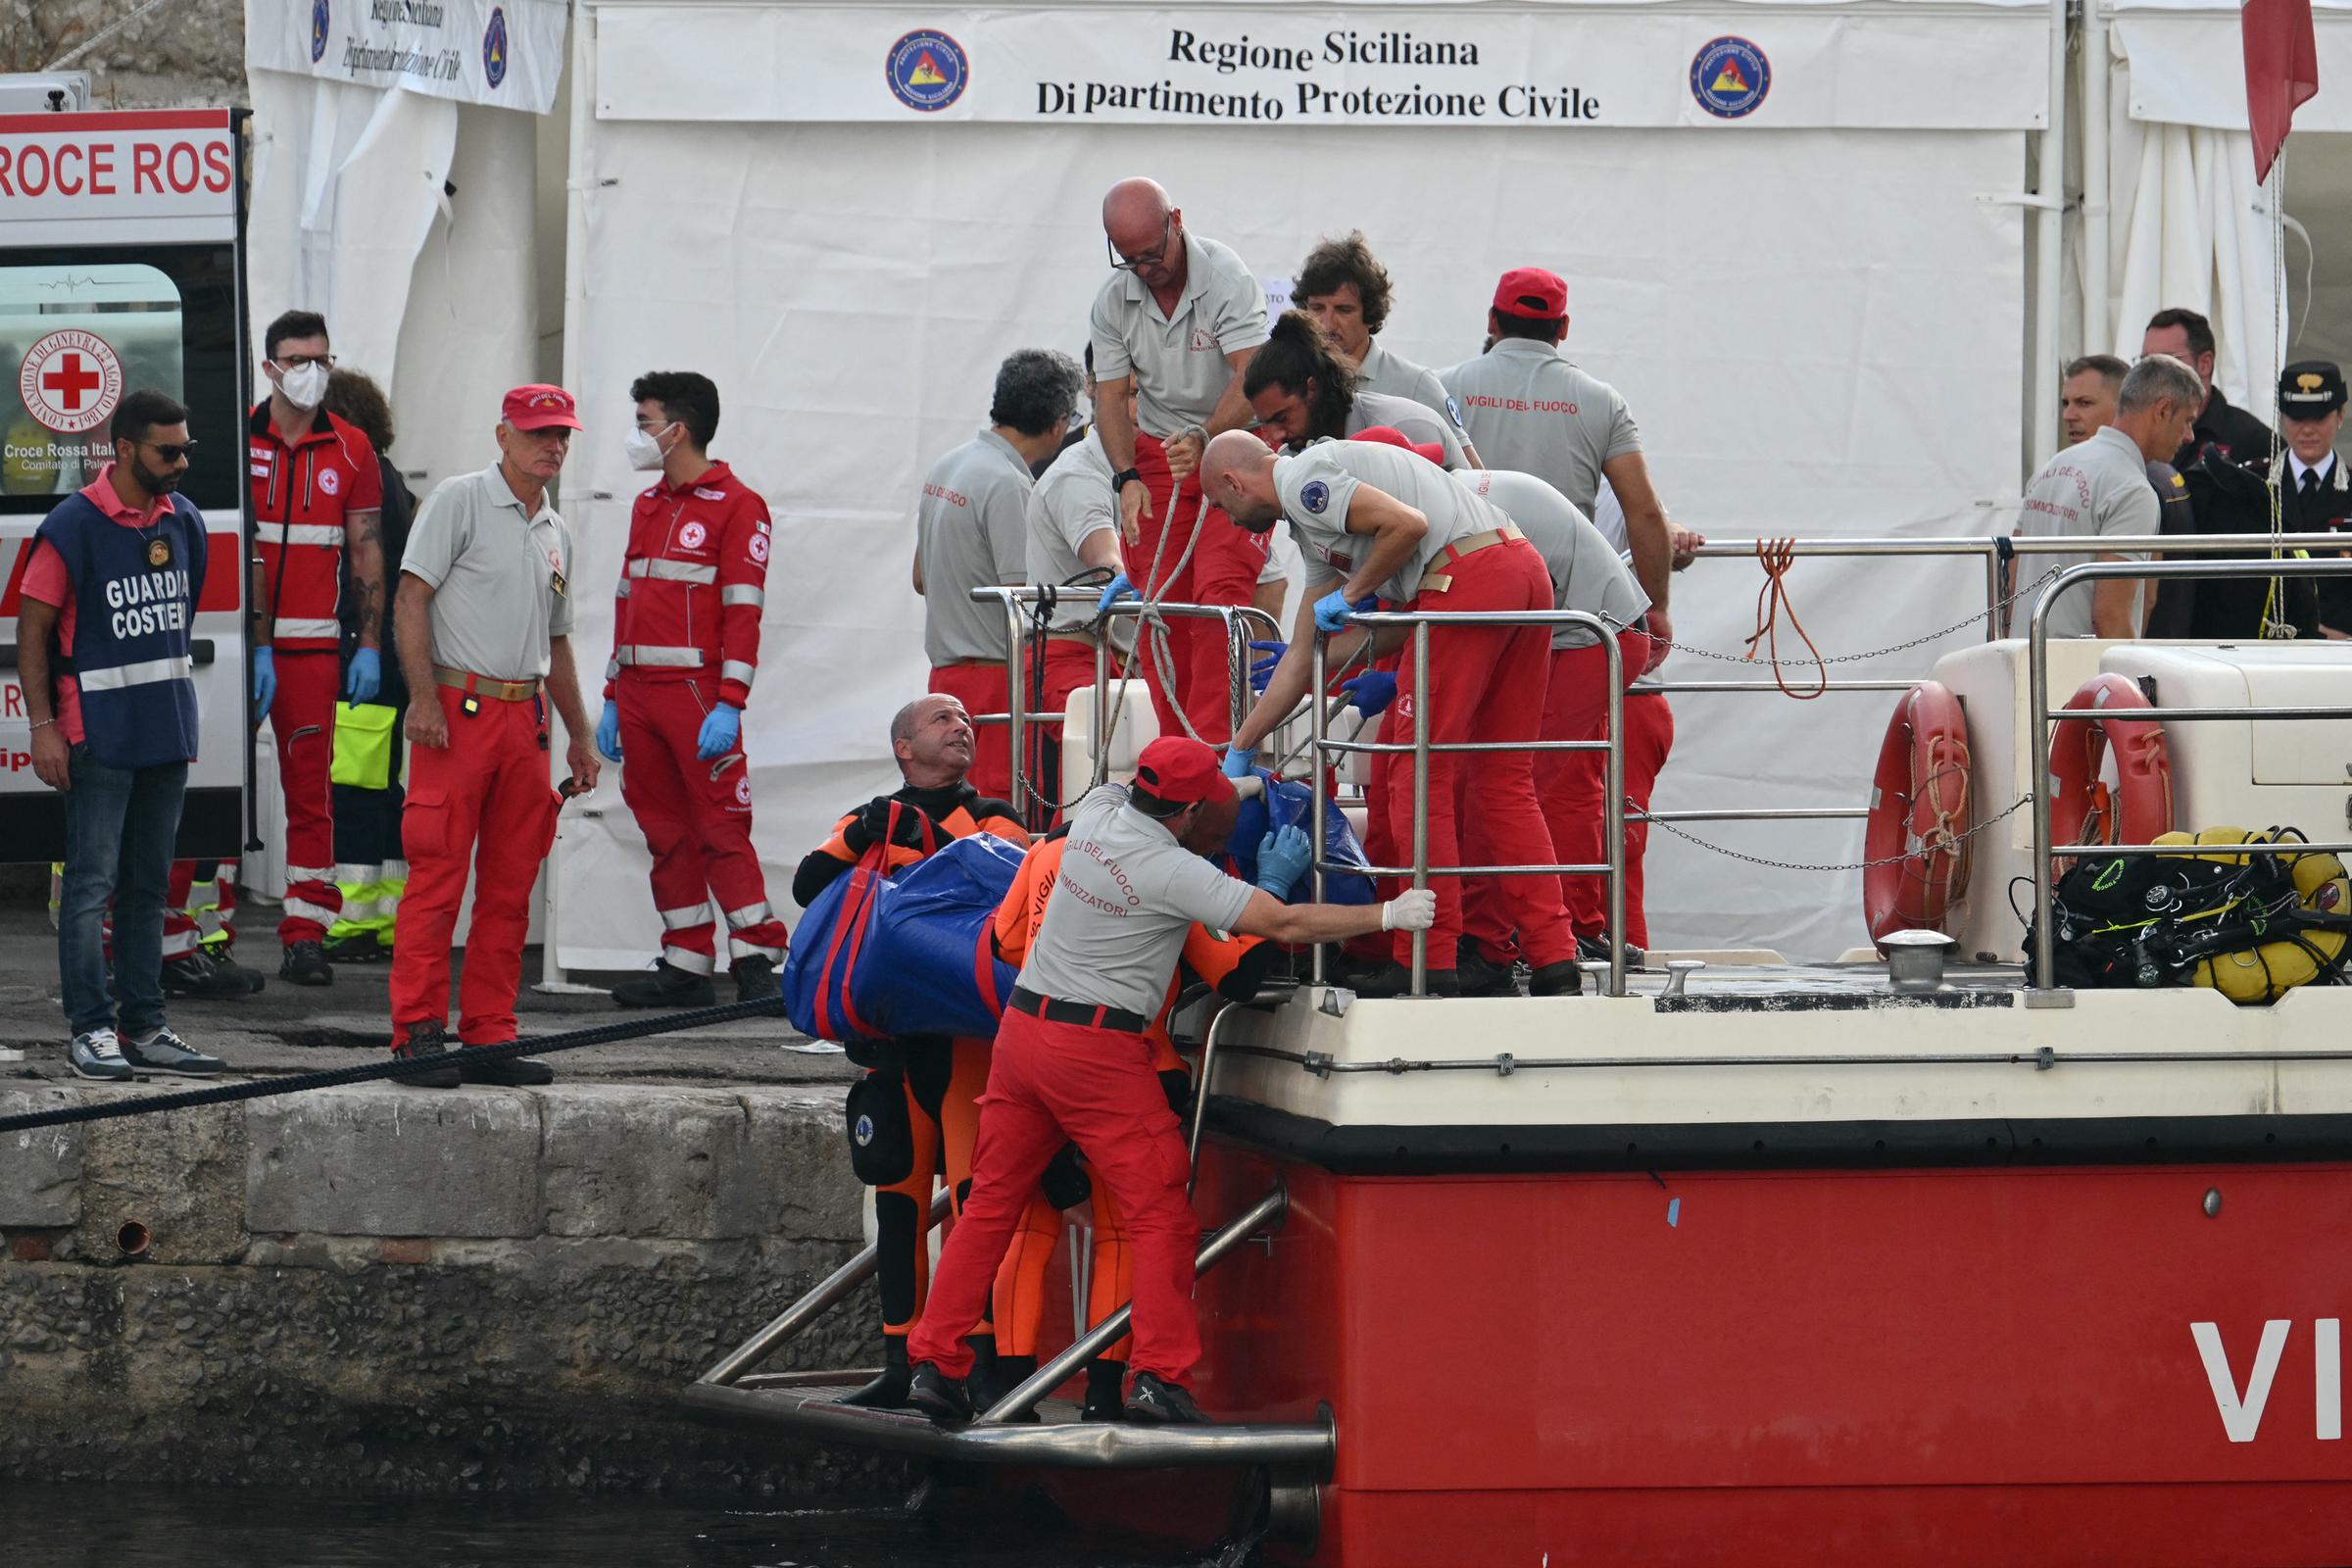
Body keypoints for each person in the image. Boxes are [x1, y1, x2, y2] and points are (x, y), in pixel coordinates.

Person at [902, 736, 1437, 1426]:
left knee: (991, 1205)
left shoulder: (1097, 810)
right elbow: (1280, 922)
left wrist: (1241, 779)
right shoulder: (1170, 871)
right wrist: (1387, 914)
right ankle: (1159, 1377)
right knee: (1158, 1214)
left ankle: (935, 1365)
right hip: (1096, 1049)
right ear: (1186, 810)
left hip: (1022, 1031)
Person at [1206, 431, 1583, 998]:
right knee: (1504, 778)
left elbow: (1407, 525)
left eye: (1219, 505)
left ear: (1234, 482)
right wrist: (1242, 742)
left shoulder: (1306, 479)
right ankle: (1555, 959)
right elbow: (1309, 658)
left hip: (1462, 579)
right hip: (1518, 569)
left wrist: (1353, 592)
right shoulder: (1316, 532)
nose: (1228, 521)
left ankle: (1427, 959)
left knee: (1414, 773)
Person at [981, 810, 1287, 1420]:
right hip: (1129, 1065)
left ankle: (1001, 1389)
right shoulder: (1168, 870)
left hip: (1029, 1053)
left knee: (1021, 1224)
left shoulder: (1048, 853)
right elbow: (1238, 971)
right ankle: (1111, 1393)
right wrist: (1272, 892)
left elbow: (1002, 943)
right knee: (1130, 1233)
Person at [1351, 426, 1673, 967]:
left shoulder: (1451, 520)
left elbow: (1476, 599)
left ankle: (1490, 947)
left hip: (1587, 640)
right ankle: (1524, 946)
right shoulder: (1458, 499)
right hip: (1574, 632)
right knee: (1489, 787)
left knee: (1493, 790)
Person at [792, 694, 1028, 1408]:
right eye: (943, 720)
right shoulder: (870, 818)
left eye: (967, 721)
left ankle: (971, 1363)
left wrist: (934, 830)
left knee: (969, 1203)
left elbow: (1015, 883)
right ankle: (899, 1363)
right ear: (904, 747)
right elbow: (808, 886)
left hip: (961, 1046)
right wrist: (864, 832)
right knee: (896, 1203)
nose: (963, 727)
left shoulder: (992, 818)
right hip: (889, 1046)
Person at [385, 385, 599, 1089]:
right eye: (540, 432)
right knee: (439, 878)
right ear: (501, 435)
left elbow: (556, 642)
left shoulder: (555, 530)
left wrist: (579, 736)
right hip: (457, 708)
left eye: (562, 434)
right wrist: (422, 699)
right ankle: (417, 1033)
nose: (554, 445)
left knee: (510, 888)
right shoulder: (459, 499)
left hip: (523, 719)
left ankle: (489, 1033)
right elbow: (410, 597)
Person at [16, 390, 228, 1081]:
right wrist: (44, 727)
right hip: (98, 736)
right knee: (89, 888)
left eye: (187, 449)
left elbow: (179, 620)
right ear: (126, 449)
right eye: (169, 452)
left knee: (146, 890)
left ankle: (145, 1027)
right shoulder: (72, 523)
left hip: (165, 731)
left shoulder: (186, 521)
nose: (181, 463)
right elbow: (33, 632)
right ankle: (91, 1032)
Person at [594, 370, 791, 1007]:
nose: (638, 435)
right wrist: (611, 696)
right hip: (642, 696)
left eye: (646, 422)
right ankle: (686, 962)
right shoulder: (648, 504)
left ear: (679, 429)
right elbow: (627, 601)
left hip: (699, 696)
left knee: (721, 828)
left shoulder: (738, 506)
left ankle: (758, 959)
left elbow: (743, 613)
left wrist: (731, 704)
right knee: (663, 831)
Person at [1090, 177, 1270, 745]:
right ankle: (1175, 755)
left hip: (1233, 447)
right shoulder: (1112, 299)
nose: (1144, 270)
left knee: (1220, 600)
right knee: (1160, 610)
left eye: (1152, 254)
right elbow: (1111, 397)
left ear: (1177, 222)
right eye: (1130, 259)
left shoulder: (1226, 276)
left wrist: (1206, 437)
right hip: (1161, 458)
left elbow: (1253, 376)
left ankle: (1217, 754)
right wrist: (1126, 478)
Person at [249, 310, 387, 988]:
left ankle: (306, 932)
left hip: (313, 652)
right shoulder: (231, 437)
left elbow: (366, 549)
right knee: (211, 787)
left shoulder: (353, 448)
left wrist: (369, 643)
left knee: (311, 796)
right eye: (298, 360)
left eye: (322, 361)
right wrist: (250, 643)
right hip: (240, 651)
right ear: (269, 365)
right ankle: (188, 933)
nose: (312, 373)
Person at [1441, 268, 1677, 662]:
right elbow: (1645, 512)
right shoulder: (1601, 401)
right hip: (1565, 617)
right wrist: (1656, 608)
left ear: (1492, 320)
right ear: (1563, 327)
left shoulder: (1444, 387)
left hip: (1463, 605)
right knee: (1550, 723)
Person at [915, 349, 1085, 803]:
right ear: (1058, 423)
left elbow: (920, 576)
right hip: (992, 683)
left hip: (945, 678)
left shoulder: (947, 465)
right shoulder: (1009, 484)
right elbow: (1023, 601)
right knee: (998, 817)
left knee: (953, 811)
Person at [318, 368, 416, 963]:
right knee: (382, 789)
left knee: (355, 788)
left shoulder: (364, 480)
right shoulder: (390, 478)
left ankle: (354, 919)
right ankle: (384, 917)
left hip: (365, 654)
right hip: (389, 659)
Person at [2012, 355, 2203, 639]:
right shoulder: (2133, 491)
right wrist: (2130, 681)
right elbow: (2110, 616)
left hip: (2023, 662)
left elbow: (2010, 578)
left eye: (2084, 403)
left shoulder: (2053, 466)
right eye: (2187, 421)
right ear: (2162, 410)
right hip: (2080, 676)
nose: (2189, 436)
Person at [1024, 347, 1132, 822]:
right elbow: (1108, 564)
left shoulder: (1138, 471)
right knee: (1085, 800)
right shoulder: (1080, 476)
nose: (1139, 406)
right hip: (1068, 655)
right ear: (1093, 390)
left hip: (1113, 656)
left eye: (1146, 392)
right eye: (1127, 394)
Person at [2176, 361, 2341, 639]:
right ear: (2281, 418)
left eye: (2319, 417)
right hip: (2263, 648)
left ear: (2340, 416)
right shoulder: (2246, 483)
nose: (2308, 429)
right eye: (2297, 417)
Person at [1294, 230, 1480, 461]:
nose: (1327, 324)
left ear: (1370, 314)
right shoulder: (1290, 380)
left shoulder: (1416, 384)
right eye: (1317, 308)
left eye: (1344, 310)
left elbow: (1470, 470)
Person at [1245, 310, 1471, 467]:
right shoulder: (1296, 451)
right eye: (1267, 425)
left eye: (1282, 418)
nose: (1276, 436)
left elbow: (1418, 527)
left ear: (1312, 389)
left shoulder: (1403, 428)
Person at [2142, 307, 2275, 470]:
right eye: (2145, 362)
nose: (2151, 374)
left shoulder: (2254, 440)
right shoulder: (2139, 432)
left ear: (2205, 364)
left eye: (2166, 361)